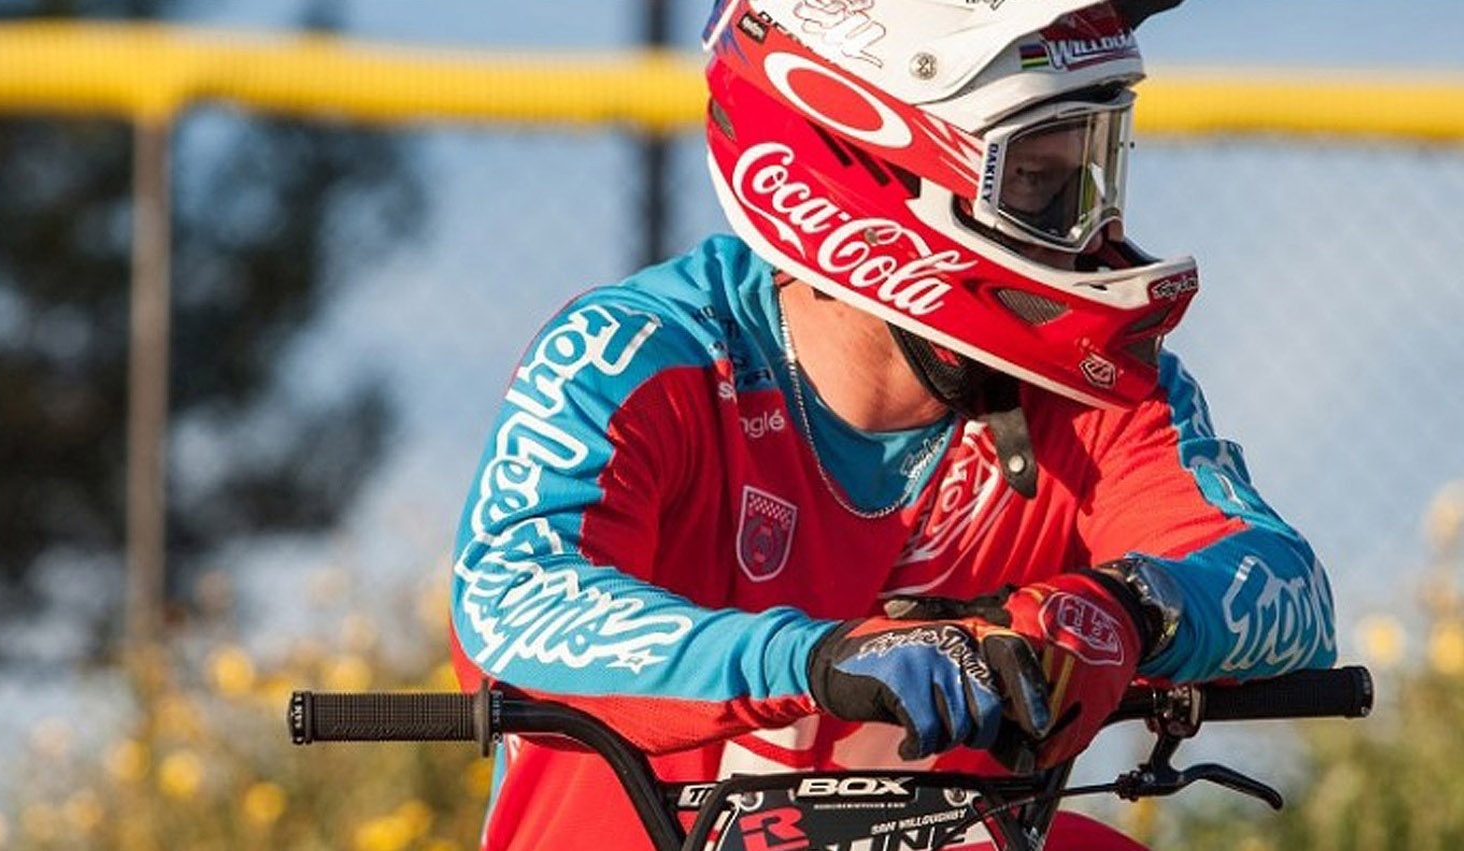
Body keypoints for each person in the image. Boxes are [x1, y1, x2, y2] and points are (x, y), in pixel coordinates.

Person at [446, 0, 1337, 848]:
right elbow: (512, 606)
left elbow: (1286, 585)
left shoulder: (1099, 391)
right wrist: (822, 660)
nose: (1088, 234)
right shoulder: (636, 353)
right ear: (866, 162)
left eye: (1094, 171)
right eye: (1036, 180)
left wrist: (1127, 609)